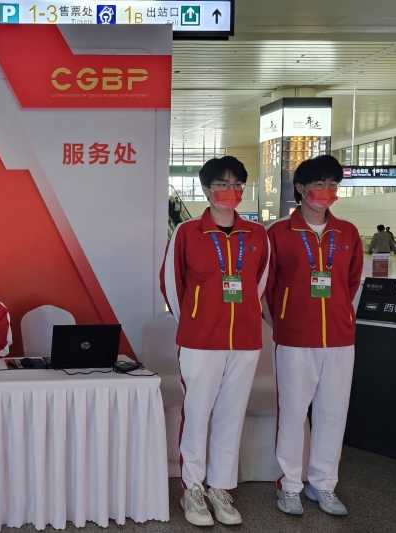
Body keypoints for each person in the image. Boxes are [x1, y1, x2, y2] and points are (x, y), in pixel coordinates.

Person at [160, 156, 270, 527]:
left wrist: (244, 315)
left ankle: (220, 487)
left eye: (237, 184)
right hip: (200, 340)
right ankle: (192, 487)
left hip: (245, 340)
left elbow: (259, 284)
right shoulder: (188, 232)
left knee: (232, 412)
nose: (230, 191)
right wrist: (194, 320)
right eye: (223, 184)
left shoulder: (257, 235)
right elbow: (171, 284)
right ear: (206, 189)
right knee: (197, 411)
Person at [265, 155, 363, 516]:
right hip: (294, 338)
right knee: (292, 413)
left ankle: (323, 484)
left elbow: (352, 283)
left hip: (339, 338)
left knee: (333, 414)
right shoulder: (278, 233)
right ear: (301, 189)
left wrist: (343, 316)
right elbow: (268, 286)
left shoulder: (347, 233)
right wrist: (283, 320)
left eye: (333, 185)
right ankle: (290, 485)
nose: (327, 191)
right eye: (320, 184)